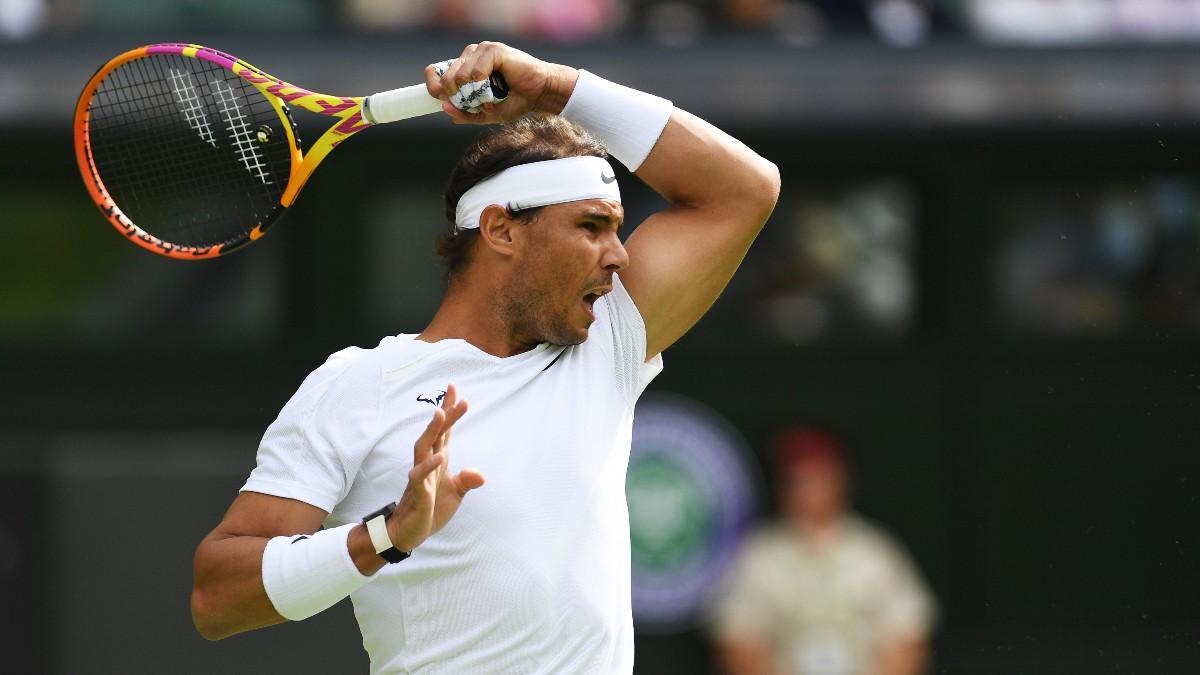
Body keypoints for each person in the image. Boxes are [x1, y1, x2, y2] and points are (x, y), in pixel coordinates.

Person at [189, 41, 780, 673]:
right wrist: (386, 536)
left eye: (616, 227)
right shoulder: (360, 385)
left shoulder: (603, 347)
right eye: (590, 227)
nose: (620, 254)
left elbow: (745, 189)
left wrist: (555, 87)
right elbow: (217, 597)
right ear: (500, 231)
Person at [711, 428, 937, 675]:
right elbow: (737, 642)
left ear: (840, 480)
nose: (808, 490)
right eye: (797, 479)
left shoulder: (875, 551)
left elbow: (909, 638)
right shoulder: (759, 554)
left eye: (818, 477)